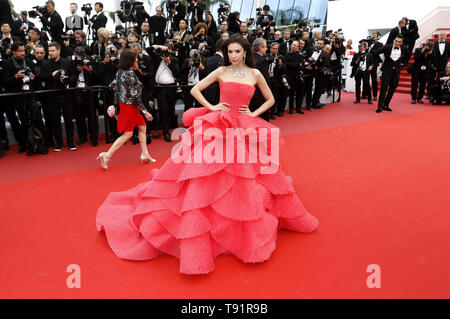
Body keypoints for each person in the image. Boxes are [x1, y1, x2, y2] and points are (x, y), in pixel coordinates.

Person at [96, 35, 319, 275]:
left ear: (245, 52)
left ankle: (238, 220)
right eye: (229, 51)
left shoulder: (255, 74)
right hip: (219, 125)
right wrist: (213, 107)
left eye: (236, 51)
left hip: (243, 125)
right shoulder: (222, 70)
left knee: (248, 174)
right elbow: (195, 89)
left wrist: (253, 113)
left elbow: (271, 98)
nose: (233, 55)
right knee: (205, 172)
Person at [96, 48, 156, 170]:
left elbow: (116, 90)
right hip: (130, 107)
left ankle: (145, 154)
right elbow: (135, 96)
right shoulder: (129, 74)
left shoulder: (120, 72)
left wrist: (116, 105)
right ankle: (106, 155)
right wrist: (145, 112)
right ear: (130, 61)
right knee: (128, 134)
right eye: (136, 59)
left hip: (127, 105)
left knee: (142, 127)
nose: (138, 60)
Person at [374, 35, 409, 113]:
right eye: (396, 41)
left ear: (402, 43)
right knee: (384, 89)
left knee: (392, 89)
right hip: (386, 71)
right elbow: (375, 53)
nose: (397, 43)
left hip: (396, 72)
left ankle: (386, 105)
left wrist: (403, 63)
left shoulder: (404, 48)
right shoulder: (387, 47)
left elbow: (407, 56)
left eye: (399, 42)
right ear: (394, 41)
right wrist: (380, 61)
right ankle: (380, 106)